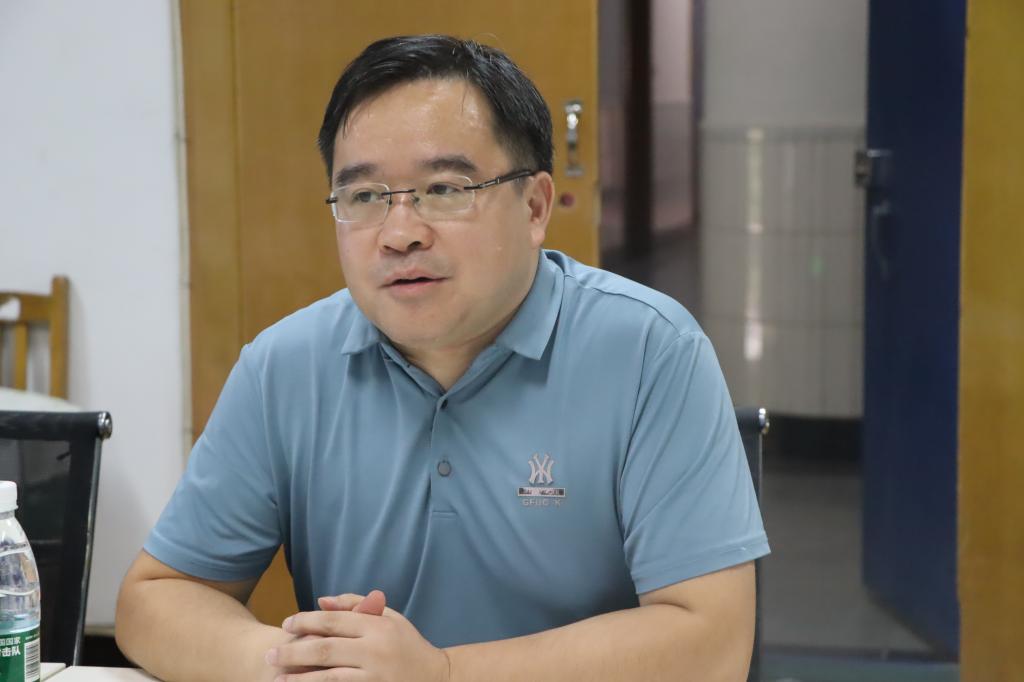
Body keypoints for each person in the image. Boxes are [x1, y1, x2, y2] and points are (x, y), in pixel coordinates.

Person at [115, 34, 768, 682]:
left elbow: (711, 644)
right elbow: (157, 597)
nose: (400, 234)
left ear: (535, 206)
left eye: (446, 189)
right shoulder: (285, 366)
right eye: (364, 198)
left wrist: (443, 673)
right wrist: (296, 666)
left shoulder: (650, 351)